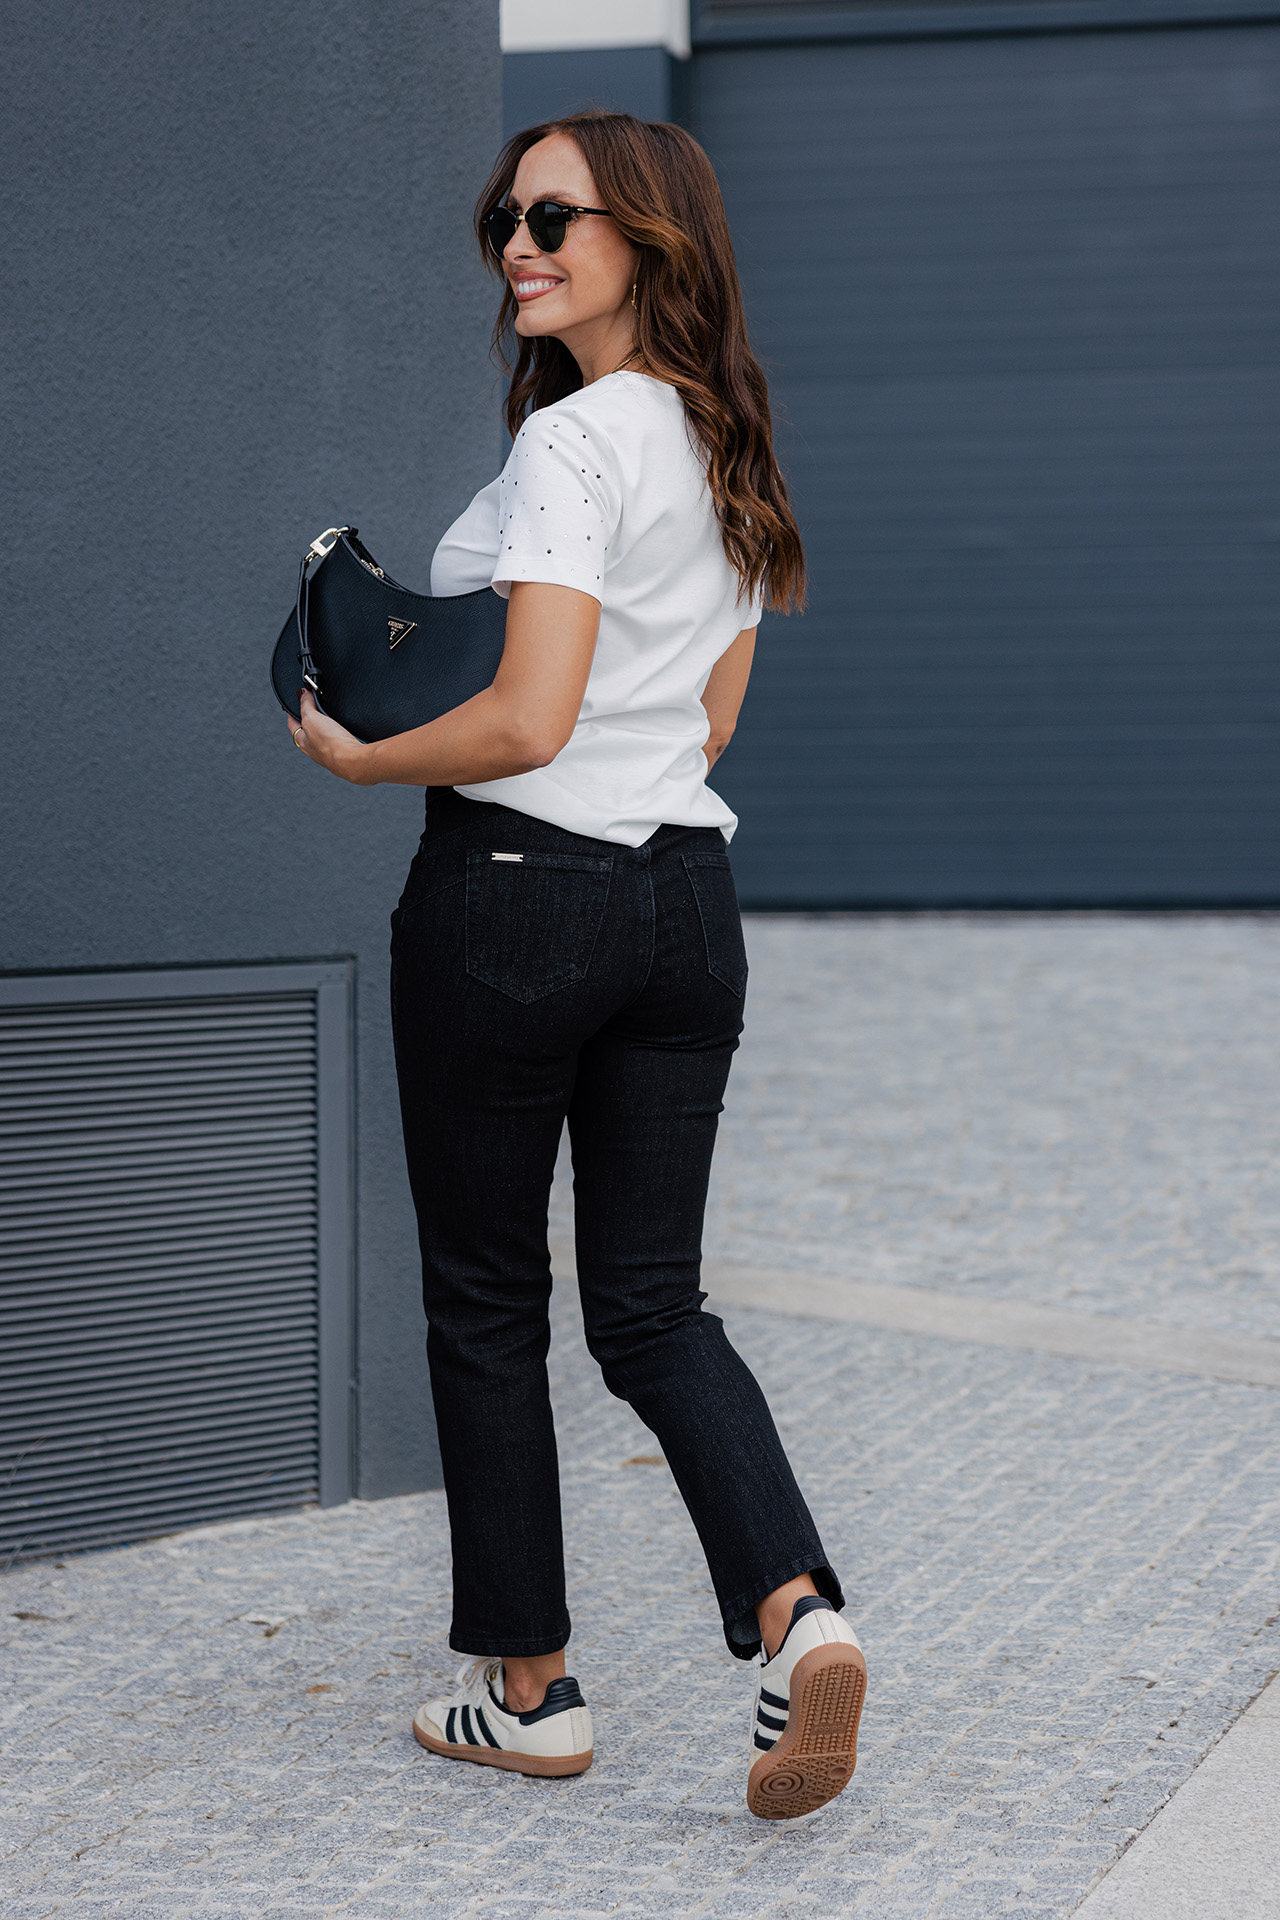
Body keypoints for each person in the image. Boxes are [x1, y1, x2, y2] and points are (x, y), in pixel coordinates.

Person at [286, 111, 866, 1821]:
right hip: (686, 905)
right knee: (653, 1304)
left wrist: (357, 758)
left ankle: (527, 1693)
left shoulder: (575, 451)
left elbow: (529, 715)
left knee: (484, 1295)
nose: (517, 245)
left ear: (652, 243)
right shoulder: (732, 444)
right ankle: (800, 1617)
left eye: (554, 217)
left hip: (518, 898)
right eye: (504, 216)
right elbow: (704, 721)